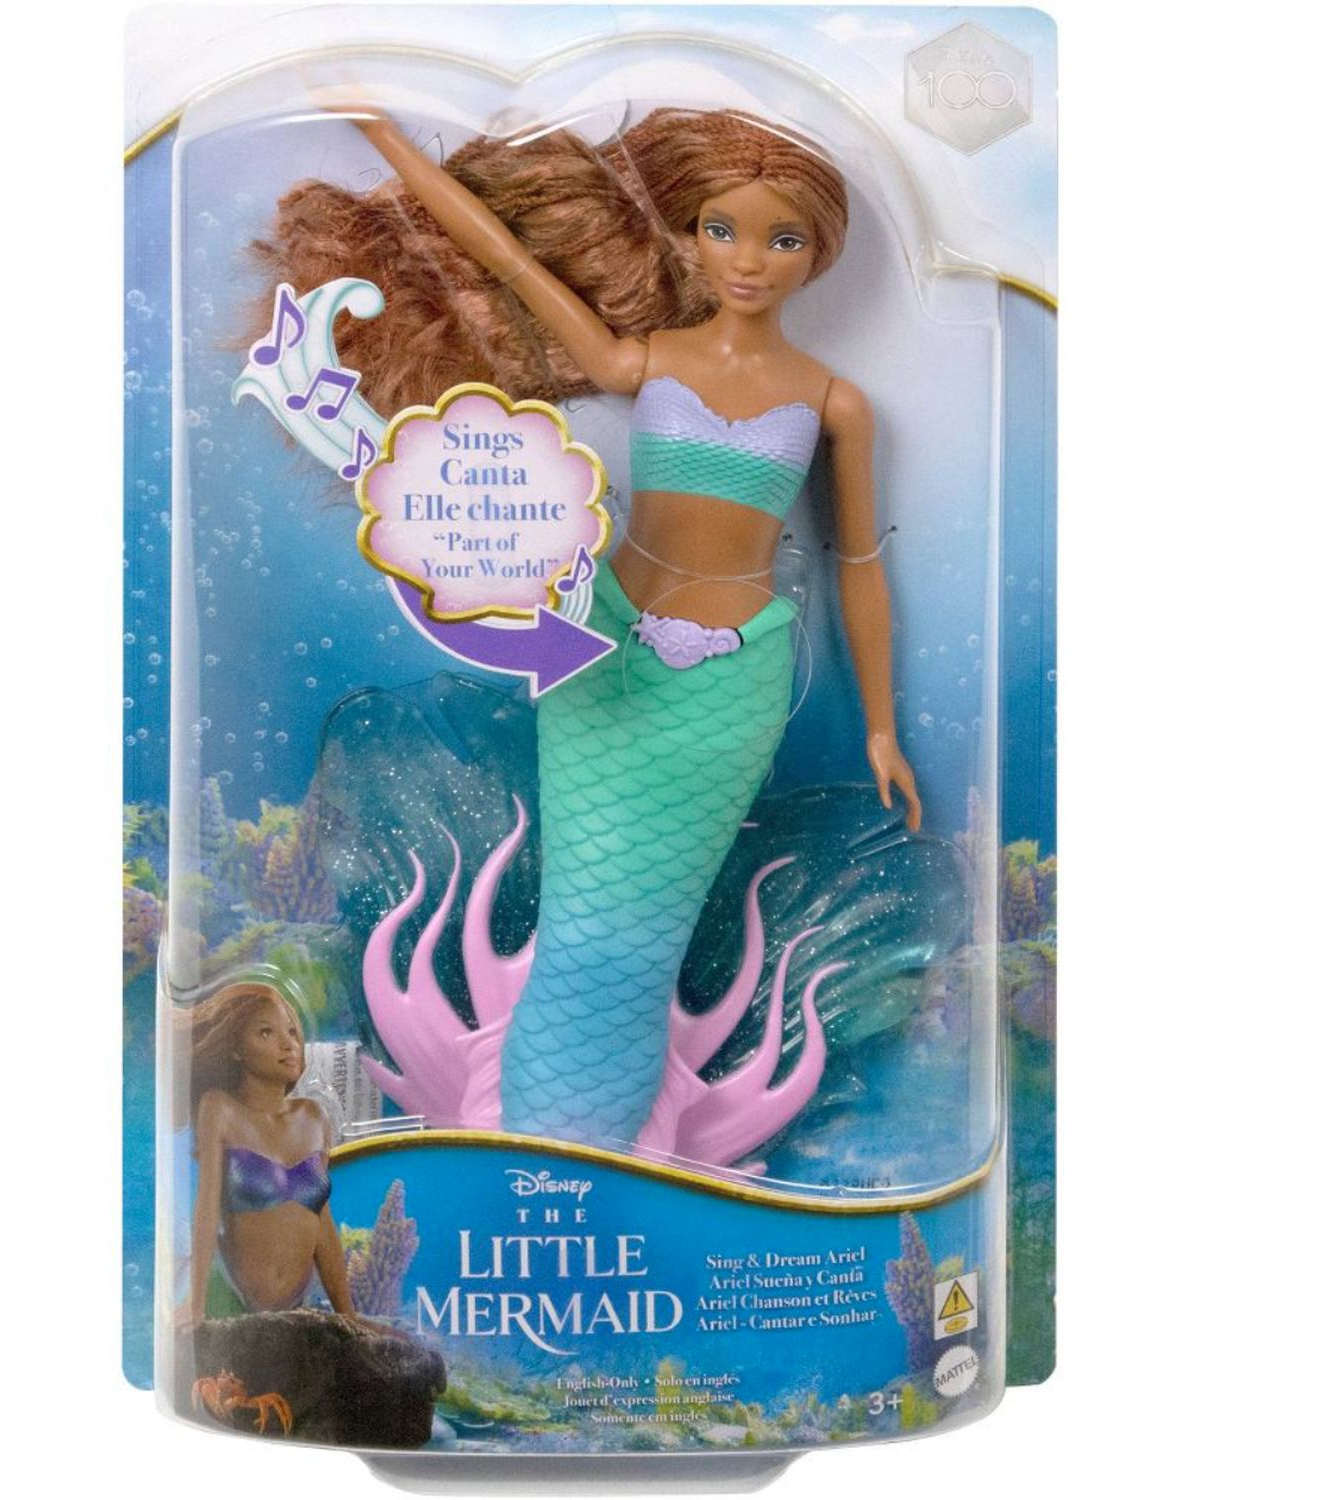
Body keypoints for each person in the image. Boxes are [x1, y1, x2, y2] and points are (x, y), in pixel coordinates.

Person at [257, 106, 921, 1149]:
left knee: (646, 943)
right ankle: (533, 1150)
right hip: (599, 654)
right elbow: (510, 263)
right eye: (723, 230)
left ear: (818, 254)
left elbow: (861, 565)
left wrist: (880, 727)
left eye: (783, 238)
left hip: (729, 691)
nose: (749, 260)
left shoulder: (834, 402)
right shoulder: (643, 361)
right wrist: (384, 137)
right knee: (582, 934)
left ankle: (611, 1162)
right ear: (690, 236)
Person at [177, 981, 360, 1325]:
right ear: (236, 1049)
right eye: (266, 1033)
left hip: (296, 1309)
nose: (288, 1044)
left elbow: (320, 1220)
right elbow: (206, 1206)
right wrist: (194, 1302)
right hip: (231, 1298)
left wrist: (348, 1316)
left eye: (291, 1032)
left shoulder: (314, 1117)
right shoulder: (219, 1108)